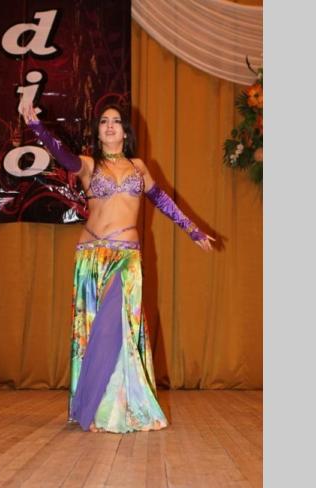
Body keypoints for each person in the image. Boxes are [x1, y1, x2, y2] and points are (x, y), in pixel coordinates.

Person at [21, 102, 215, 433]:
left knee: (117, 327)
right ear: (98, 132)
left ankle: (121, 406)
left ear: (125, 131)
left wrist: (192, 229)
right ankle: (95, 408)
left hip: (126, 255)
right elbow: (63, 156)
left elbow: (162, 200)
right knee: (94, 330)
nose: (110, 125)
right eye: (104, 121)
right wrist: (38, 128)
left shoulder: (139, 167)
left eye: (116, 121)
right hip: (91, 254)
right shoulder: (88, 164)